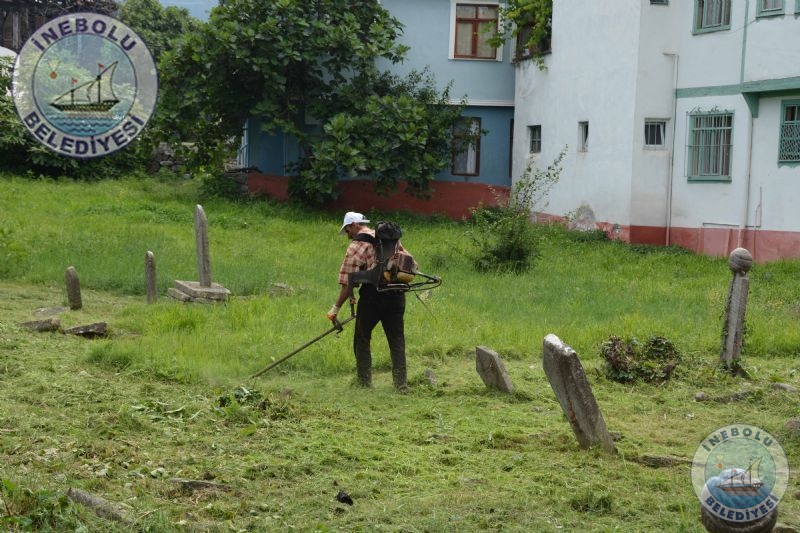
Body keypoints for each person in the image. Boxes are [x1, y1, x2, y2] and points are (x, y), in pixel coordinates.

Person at [328, 211, 409, 392]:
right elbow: (407, 263)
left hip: (373, 296)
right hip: (397, 294)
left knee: (362, 337)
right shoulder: (392, 239)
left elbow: (347, 283)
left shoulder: (357, 245)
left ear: (354, 225)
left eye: (347, 230)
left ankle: (364, 382)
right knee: (397, 339)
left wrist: (335, 309)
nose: (347, 235)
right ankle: (401, 384)